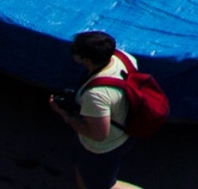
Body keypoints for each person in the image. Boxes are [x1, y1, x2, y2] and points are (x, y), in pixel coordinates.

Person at [51, 31, 156, 165]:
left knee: (99, 183)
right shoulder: (125, 58)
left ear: (86, 60)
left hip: (105, 147)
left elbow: (98, 135)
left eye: (75, 51)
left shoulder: (95, 95)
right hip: (127, 125)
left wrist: (66, 115)